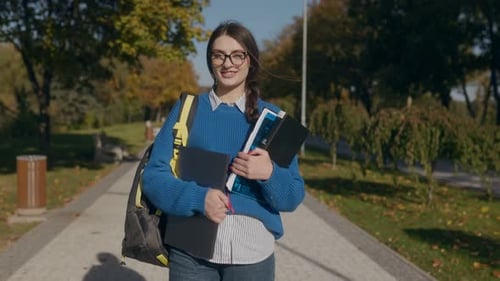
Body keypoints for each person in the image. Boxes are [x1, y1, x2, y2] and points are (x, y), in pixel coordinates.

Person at [142, 20, 305, 281]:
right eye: (219, 55)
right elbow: (152, 178)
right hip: (190, 254)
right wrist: (197, 198)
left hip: (252, 258)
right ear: (210, 60)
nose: (227, 63)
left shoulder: (272, 118)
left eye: (237, 55)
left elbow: (293, 196)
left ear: (250, 60)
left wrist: (269, 173)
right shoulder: (188, 110)